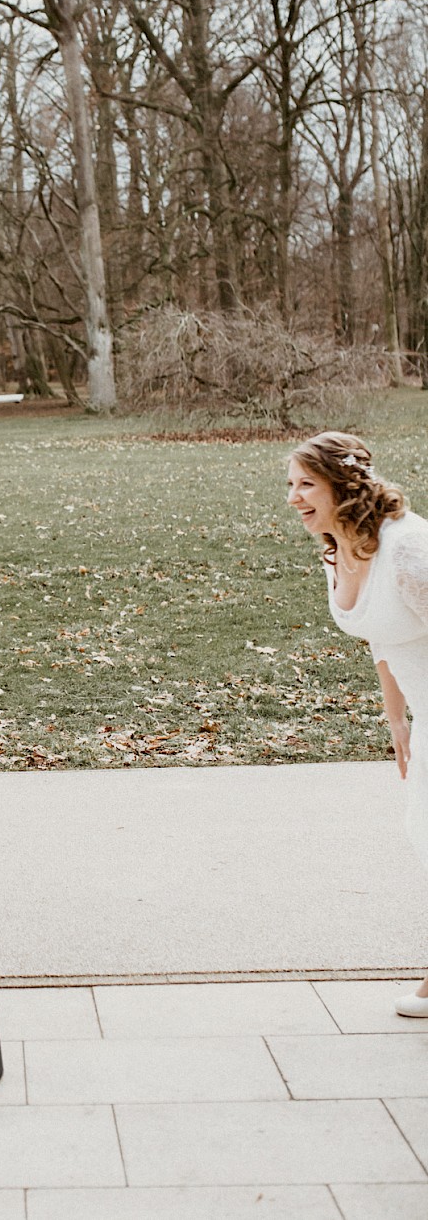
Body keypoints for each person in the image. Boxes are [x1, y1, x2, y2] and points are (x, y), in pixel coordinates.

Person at [287, 430, 428, 1016]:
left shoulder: (407, 547)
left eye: (305, 484)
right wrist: (396, 718)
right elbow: (382, 633)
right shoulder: (336, 546)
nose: (293, 497)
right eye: (289, 485)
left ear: (342, 486)